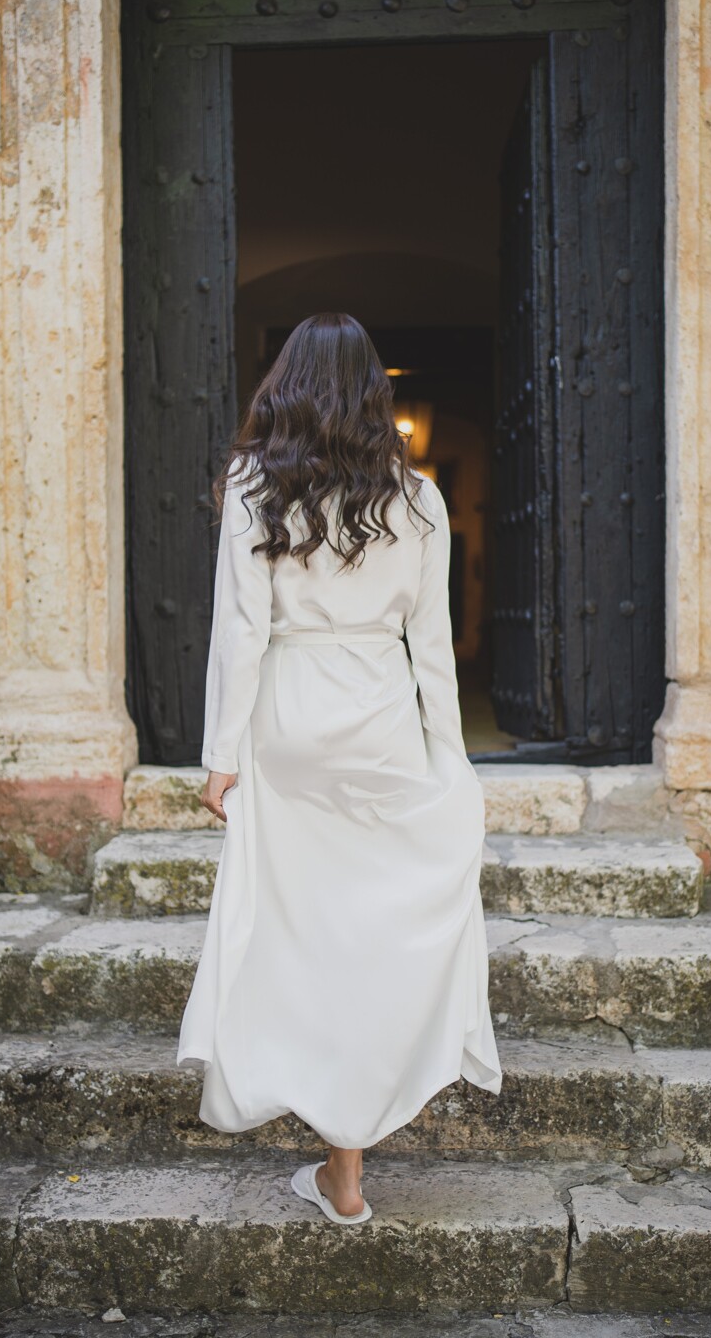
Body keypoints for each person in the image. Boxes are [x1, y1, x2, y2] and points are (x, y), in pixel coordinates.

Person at [177, 312, 502, 1224]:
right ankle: (347, 1170)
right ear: (373, 394)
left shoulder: (252, 485)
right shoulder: (422, 499)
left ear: (285, 385)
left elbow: (240, 634)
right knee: (369, 932)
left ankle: (339, 1166)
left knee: (298, 931)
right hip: (380, 719)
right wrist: (453, 761)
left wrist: (220, 757)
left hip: (288, 720)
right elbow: (431, 647)